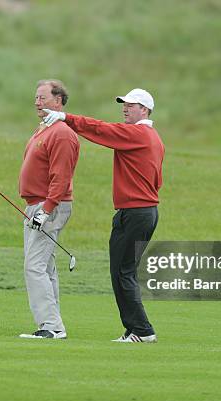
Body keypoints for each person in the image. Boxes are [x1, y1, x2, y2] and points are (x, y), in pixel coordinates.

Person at [43, 88, 164, 343]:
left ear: (144, 110)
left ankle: (142, 330)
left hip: (136, 212)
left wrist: (66, 118)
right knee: (122, 272)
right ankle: (134, 329)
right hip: (142, 211)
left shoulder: (139, 134)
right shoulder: (151, 137)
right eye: (124, 104)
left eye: (131, 105)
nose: (125, 108)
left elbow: (101, 130)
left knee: (123, 272)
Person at [18, 79, 80, 339]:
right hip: (38, 205)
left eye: (42, 98)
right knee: (45, 267)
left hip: (49, 206)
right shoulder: (44, 129)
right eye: (35, 98)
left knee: (34, 267)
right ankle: (53, 323)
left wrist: (47, 209)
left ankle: (52, 327)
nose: (37, 103)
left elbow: (61, 177)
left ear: (58, 101)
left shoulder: (62, 133)